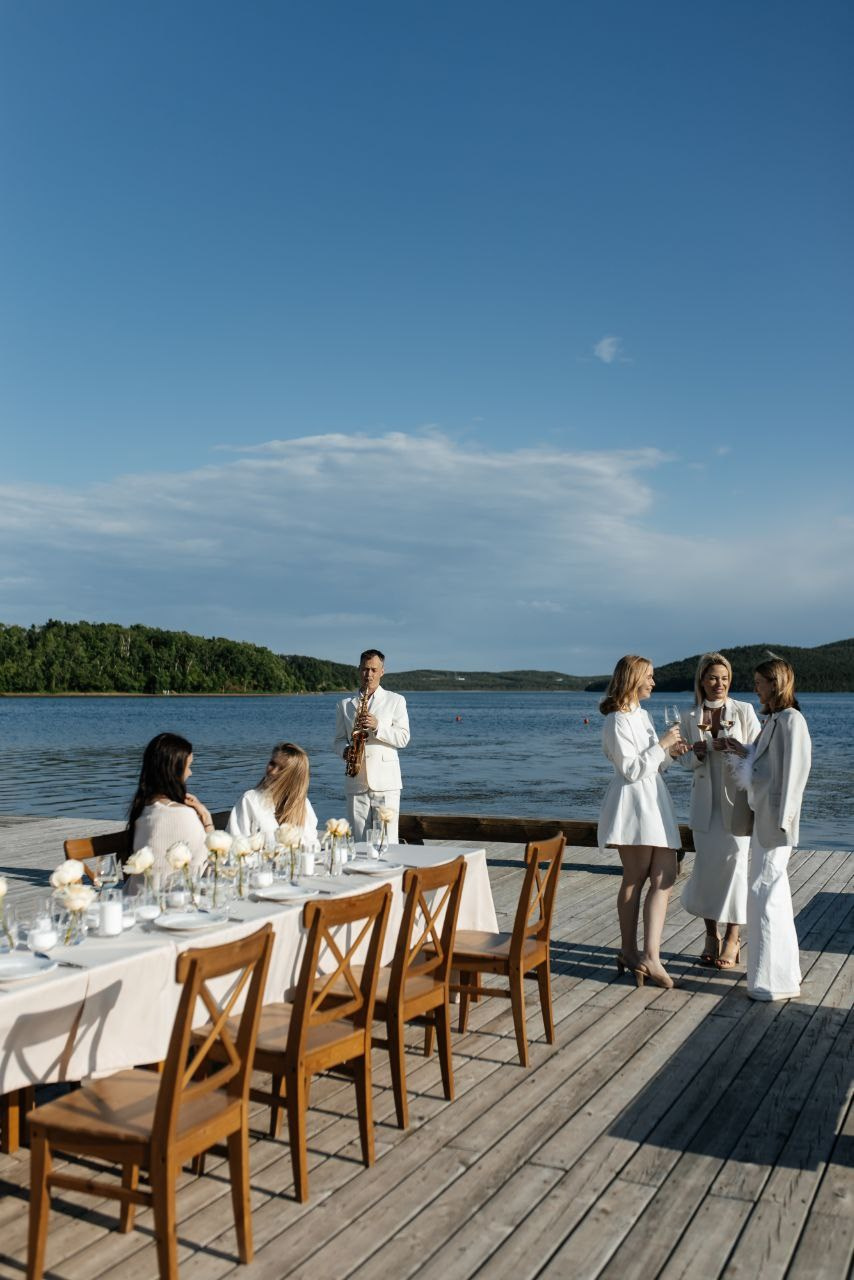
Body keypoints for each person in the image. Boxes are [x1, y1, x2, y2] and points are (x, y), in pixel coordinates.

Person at [598, 655, 689, 989]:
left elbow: (654, 766)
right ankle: (628, 950)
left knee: (666, 875)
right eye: (649, 676)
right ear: (633, 678)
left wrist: (670, 754)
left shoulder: (644, 715)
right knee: (634, 877)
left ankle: (652, 955)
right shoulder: (616, 721)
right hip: (633, 804)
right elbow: (631, 769)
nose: (653, 682)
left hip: (654, 800)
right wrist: (662, 744)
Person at [727, 658, 811, 1001]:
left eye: (759, 682)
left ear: (775, 684)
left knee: (764, 893)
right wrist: (743, 750)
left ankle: (771, 981)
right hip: (763, 817)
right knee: (770, 894)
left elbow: (796, 773)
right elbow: (765, 761)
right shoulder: (774, 719)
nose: (755, 688)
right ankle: (781, 975)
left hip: (776, 822)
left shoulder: (792, 721)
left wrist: (784, 821)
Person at [677, 653, 761, 968]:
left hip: (736, 802)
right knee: (707, 869)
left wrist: (739, 749)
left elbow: (758, 754)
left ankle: (733, 938)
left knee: (736, 867)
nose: (719, 684)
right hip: (704, 804)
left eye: (724, 678)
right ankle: (710, 935)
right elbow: (683, 760)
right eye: (713, 677)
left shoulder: (744, 710)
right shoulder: (690, 716)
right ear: (702, 679)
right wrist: (697, 753)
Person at [334, 649, 410, 843]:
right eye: (365, 669)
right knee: (358, 842)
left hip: (386, 784)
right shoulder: (344, 704)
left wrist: (378, 726)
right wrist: (345, 751)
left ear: (382, 672)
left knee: (387, 842)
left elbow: (403, 738)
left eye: (374, 670)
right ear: (359, 670)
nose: (369, 674)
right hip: (355, 780)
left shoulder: (396, 700)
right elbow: (338, 740)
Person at [127, 732, 213, 879]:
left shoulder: (142, 809)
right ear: (174, 771)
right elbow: (209, 870)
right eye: (188, 766)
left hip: (137, 892)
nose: (190, 773)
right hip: (172, 892)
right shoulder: (182, 815)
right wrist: (206, 819)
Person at [228, 742, 318, 843]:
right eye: (272, 764)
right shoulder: (250, 800)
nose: (273, 771)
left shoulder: (304, 805)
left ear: (293, 777)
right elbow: (236, 844)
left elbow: (312, 845)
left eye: (281, 769)